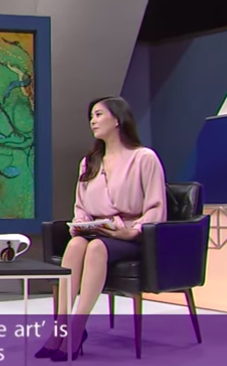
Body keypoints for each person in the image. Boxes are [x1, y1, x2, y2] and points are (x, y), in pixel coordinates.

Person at [36, 96, 167, 362]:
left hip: (131, 235)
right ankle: (60, 327)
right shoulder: (89, 162)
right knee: (76, 244)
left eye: (98, 115)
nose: (92, 121)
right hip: (98, 231)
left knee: (96, 247)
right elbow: (81, 206)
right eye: (91, 117)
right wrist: (81, 225)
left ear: (117, 119)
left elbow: (156, 206)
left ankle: (77, 327)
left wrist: (132, 231)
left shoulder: (144, 158)